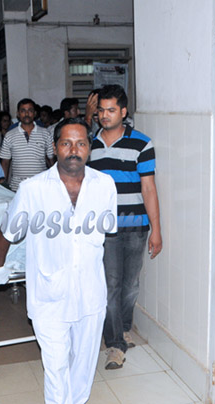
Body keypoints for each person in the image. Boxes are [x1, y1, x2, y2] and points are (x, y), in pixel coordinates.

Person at [0, 117, 117, 404]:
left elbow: (106, 235)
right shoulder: (33, 188)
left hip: (90, 294)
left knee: (83, 367)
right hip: (49, 294)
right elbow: (7, 231)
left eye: (81, 144)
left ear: (89, 148)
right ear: (54, 147)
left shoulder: (105, 185)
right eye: (66, 143)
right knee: (56, 366)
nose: (74, 150)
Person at [88, 84, 163, 370]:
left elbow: (149, 188)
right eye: (101, 110)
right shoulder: (90, 145)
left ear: (123, 111)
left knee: (130, 285)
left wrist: (156, 230)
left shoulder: (141, 143)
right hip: (104, 229)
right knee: (111, 285)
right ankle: (115, 345)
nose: (104, 115)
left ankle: (123, 327)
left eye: (110, 110)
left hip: (136, 226)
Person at [0, 98, 54, 191]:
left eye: (30, 111)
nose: (27, 114)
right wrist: (3, 186)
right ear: (18, 114)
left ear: (35, 113)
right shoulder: (10, 135)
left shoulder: (45, 133)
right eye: (23, 111)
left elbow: (51, 160)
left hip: (41, 187)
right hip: (17, 187)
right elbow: (5, 163)